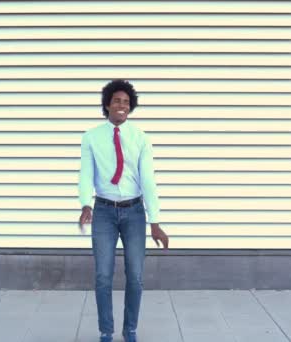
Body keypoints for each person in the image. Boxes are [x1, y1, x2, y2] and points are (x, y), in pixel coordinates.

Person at [78, 79, 169, 342]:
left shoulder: (140, 139)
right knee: (103, 275)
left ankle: (130, 330)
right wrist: (85, 203)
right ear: (107, 104)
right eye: (117, 101)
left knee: (136, 276)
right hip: (104, 212)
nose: (122, 105)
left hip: (134, 212)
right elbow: (86, 174)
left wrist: (155, 221)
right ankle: (106, 331)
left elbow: (148, 179)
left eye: (126, 102)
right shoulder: (91, 137)